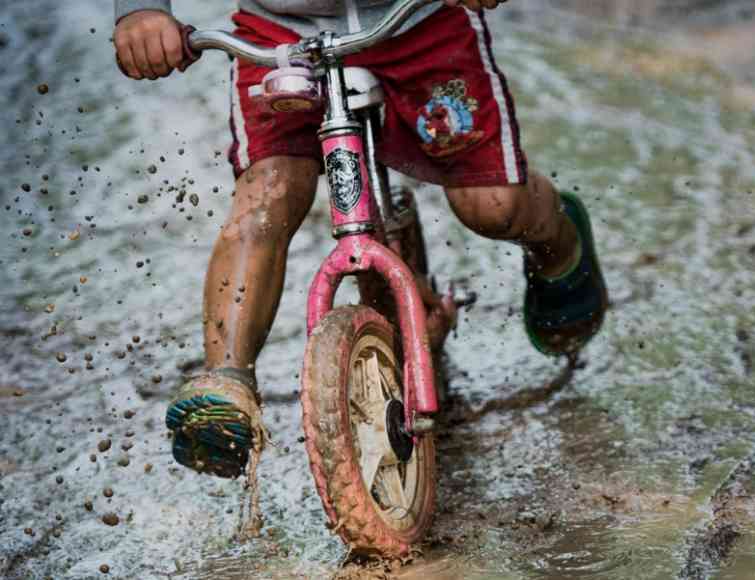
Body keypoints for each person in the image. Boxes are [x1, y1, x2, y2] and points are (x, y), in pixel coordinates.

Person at [112, 0, 608, 478]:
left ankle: (561, 247)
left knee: (495, 205)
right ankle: (226, 379)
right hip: (281, 37)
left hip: (419, 22)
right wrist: (142, 9)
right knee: (268, 196)